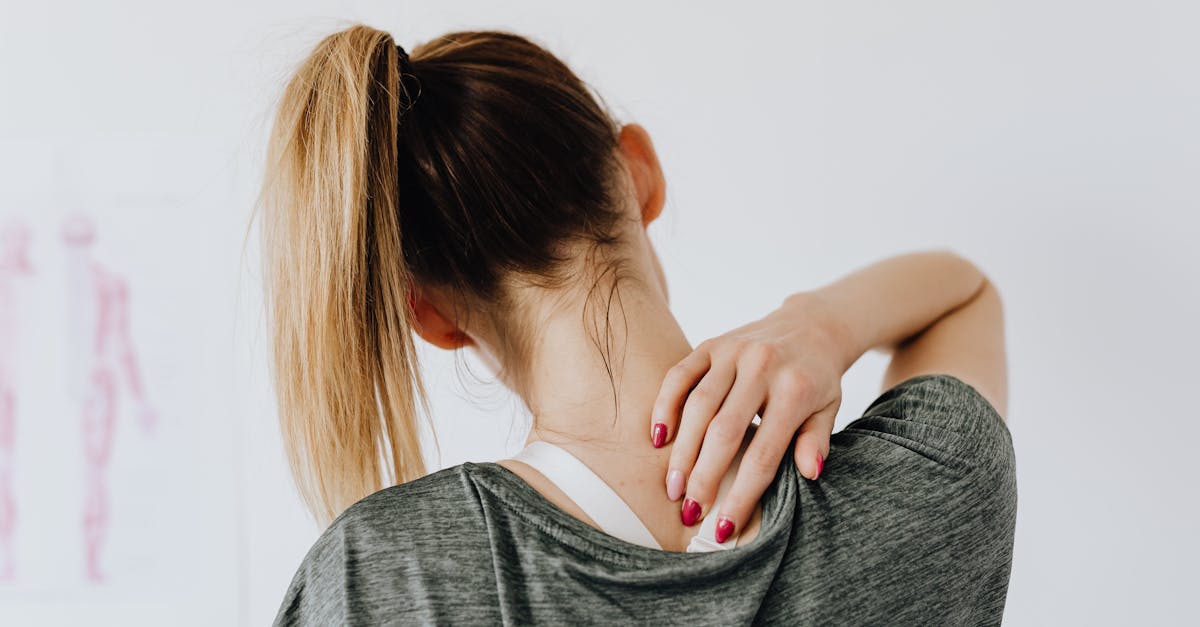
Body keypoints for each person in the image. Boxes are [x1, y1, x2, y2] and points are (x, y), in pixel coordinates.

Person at [260, 24, 1016, 625]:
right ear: (640, 171)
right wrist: (822, 324)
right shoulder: (928, 488)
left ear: (428, 314)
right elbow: (965, 291)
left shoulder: (385, 575)